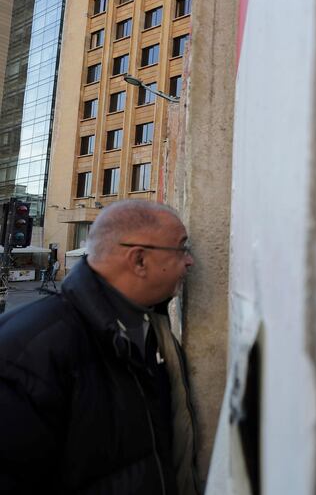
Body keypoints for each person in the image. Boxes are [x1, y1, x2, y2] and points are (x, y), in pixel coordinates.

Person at [0, 200, 200, 495]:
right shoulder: (25, 350)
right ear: (139, 260)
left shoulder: (152, 329)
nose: (190, 261)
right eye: (182, 247)